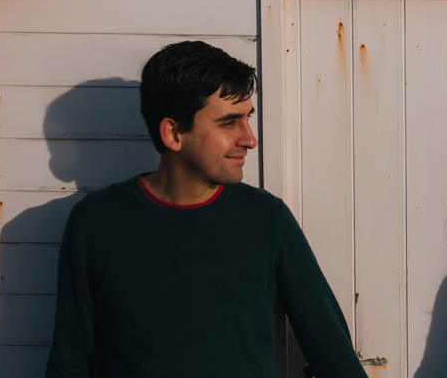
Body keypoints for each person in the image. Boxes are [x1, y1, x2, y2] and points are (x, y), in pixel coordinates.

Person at [46, 40, 365, 378]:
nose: (249, 138)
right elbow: (70, 360)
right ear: (173, 133)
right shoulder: (97, 223)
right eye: (229, 122)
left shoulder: (266, 219)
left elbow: (333, 353)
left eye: (247, 118)